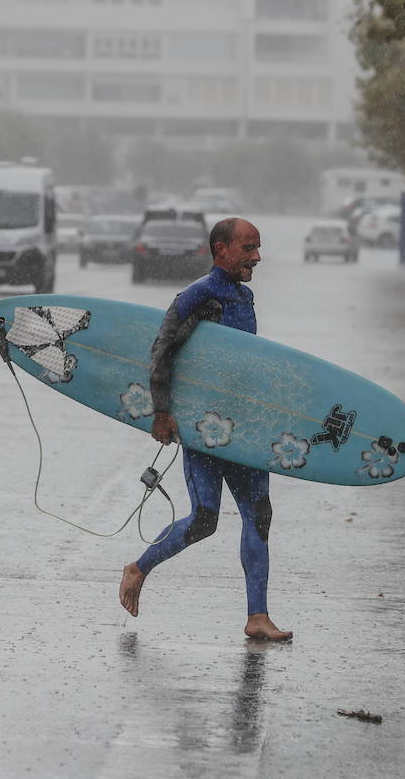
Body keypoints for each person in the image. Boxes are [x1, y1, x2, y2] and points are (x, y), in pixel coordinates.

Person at [118, 218, 293, 641]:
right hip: (206, 427)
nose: (256, 257)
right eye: (248, 248)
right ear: (221, 250)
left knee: (259, 515)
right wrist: (162, 412)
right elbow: (163, 351)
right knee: (204, 520)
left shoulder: (244, 296)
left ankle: (257, 617)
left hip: (243, 425)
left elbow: (240, 363)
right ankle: (138, 568)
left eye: (257, 248)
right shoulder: (198, 295)